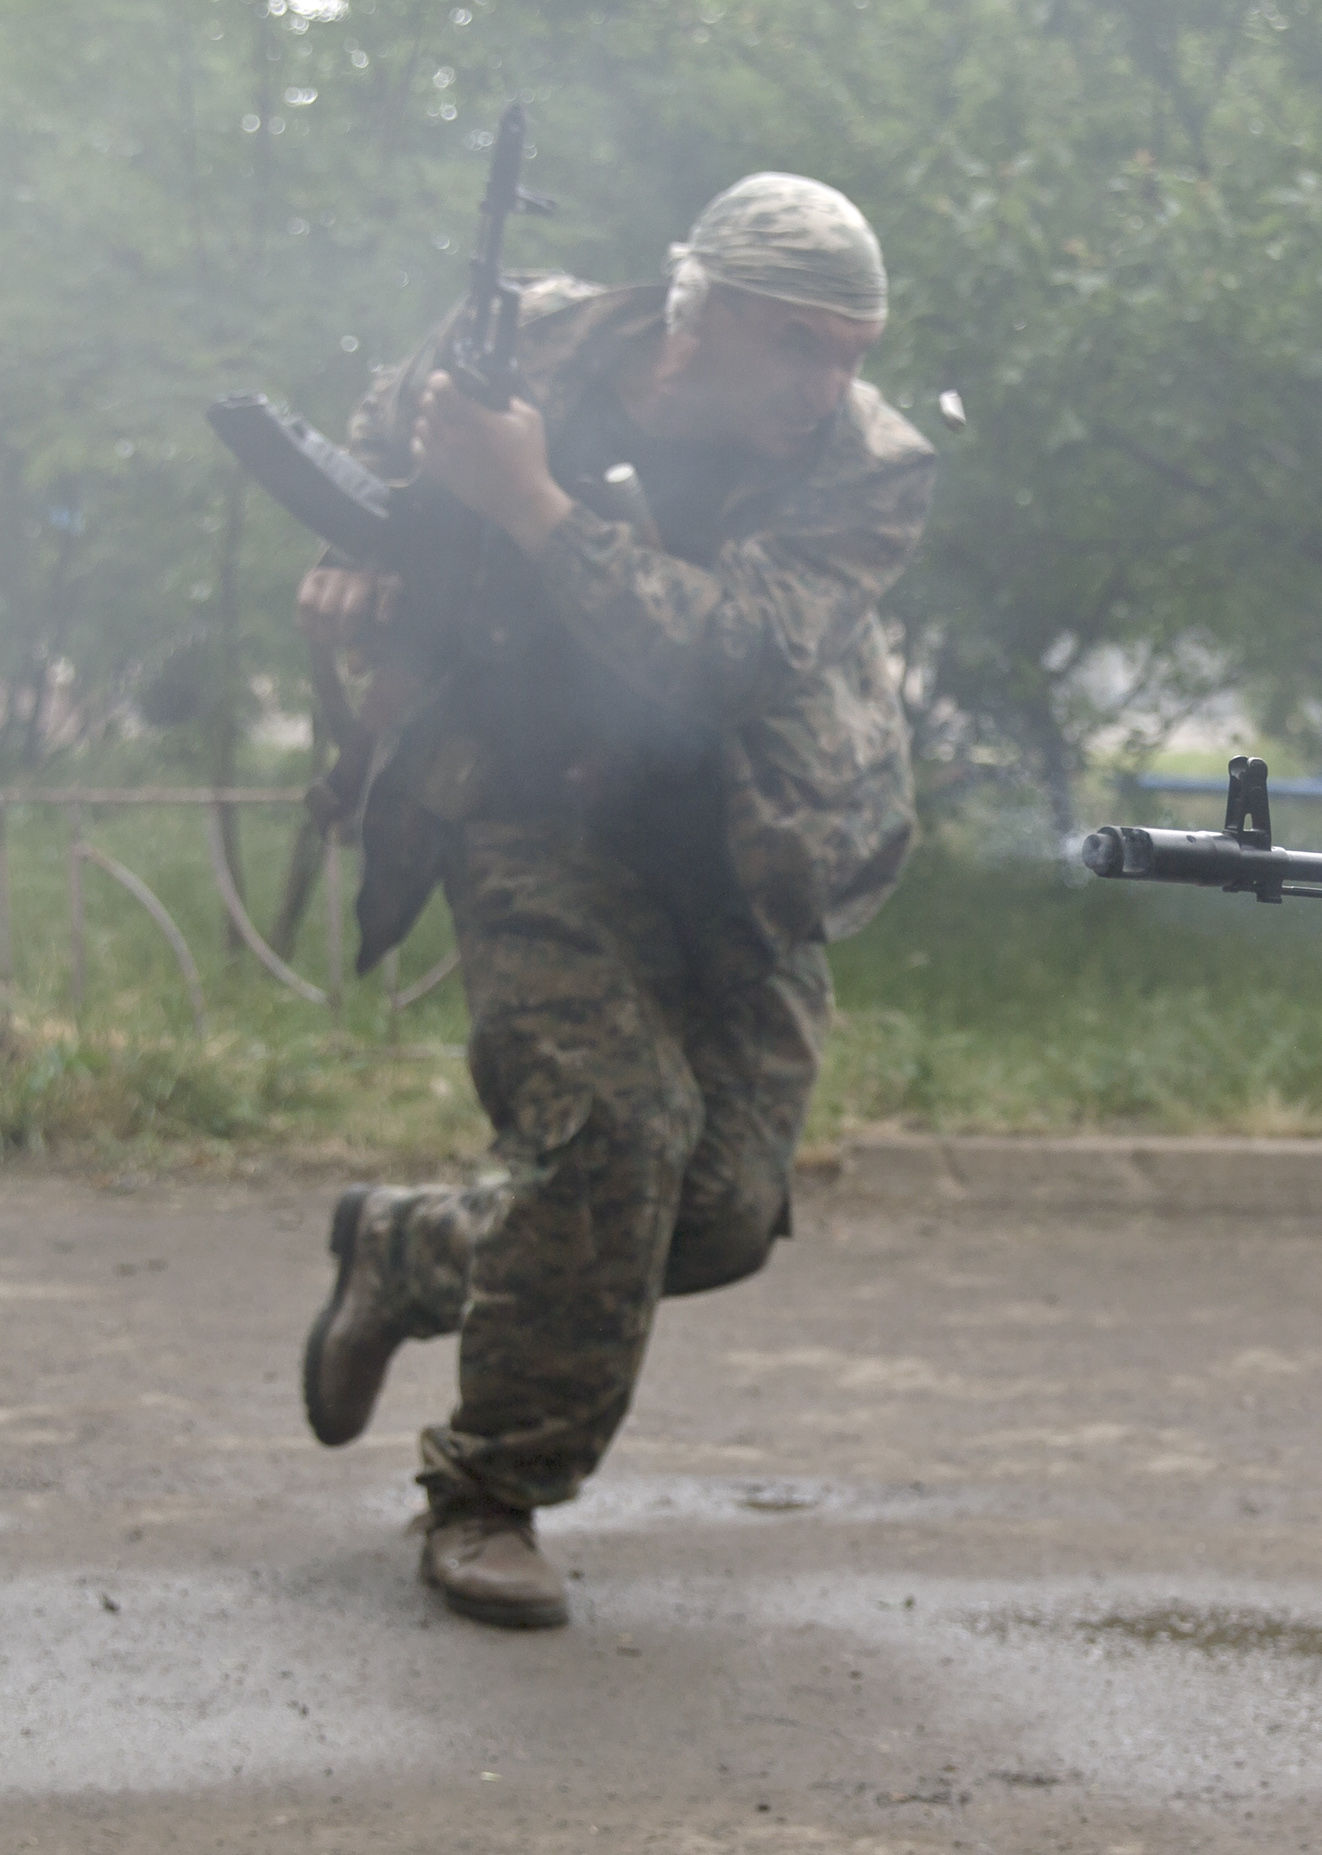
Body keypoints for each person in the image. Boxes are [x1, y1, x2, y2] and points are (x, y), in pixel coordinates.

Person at [294, 174, 937, 1629]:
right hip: (527, 808)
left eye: (853, 348)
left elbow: (723, 657)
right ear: (693, 313)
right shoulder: (530, 340)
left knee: (712, 1215)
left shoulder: (869, 467)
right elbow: (387, 441)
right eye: (797, 345)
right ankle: (487, 1496)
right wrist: (356, 557)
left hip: (738, 839)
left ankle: (401, 1250)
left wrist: (529, 506)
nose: (827, 382)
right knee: (617, 1139)